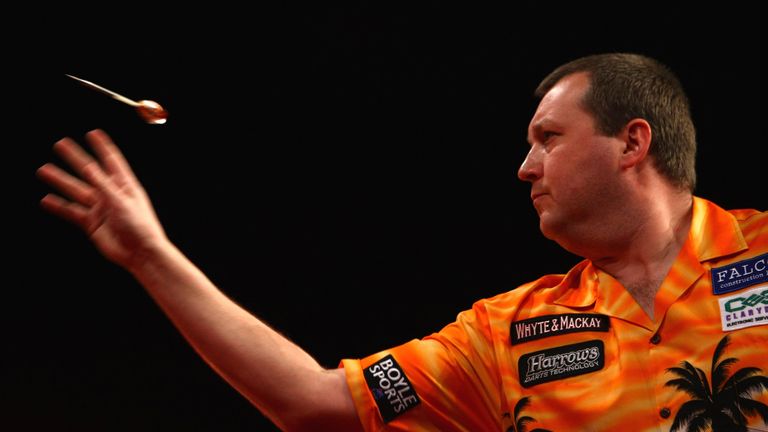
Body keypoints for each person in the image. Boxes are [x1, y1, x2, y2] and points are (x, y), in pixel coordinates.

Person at [37, 53, 767, 431]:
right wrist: (147, 254)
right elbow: (318, 404)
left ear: (631, 142)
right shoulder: (503, 335)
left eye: (548, 139)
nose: (525, 167)